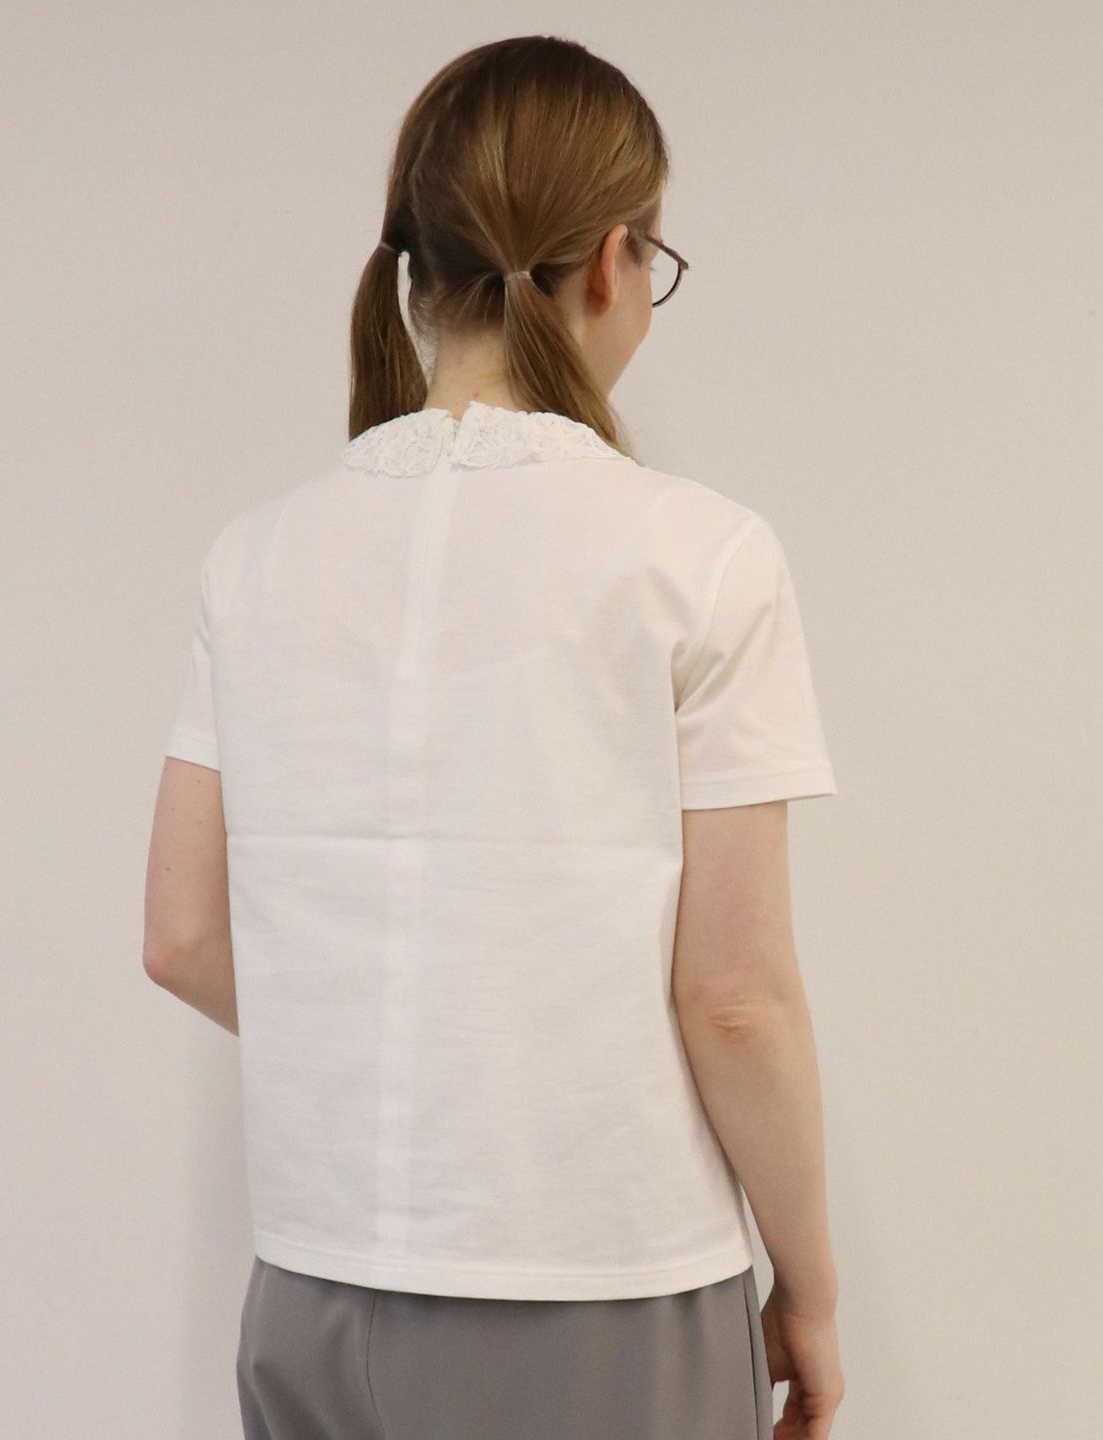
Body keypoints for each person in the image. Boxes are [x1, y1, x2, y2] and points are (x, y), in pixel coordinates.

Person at [144, 33, 845, 1440]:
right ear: (613, 260)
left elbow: (184, 935)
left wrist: (408, 1038)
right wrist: (813, 1291)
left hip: (310, 1284)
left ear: (418, 273)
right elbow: (736, 998)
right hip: (596, 1292)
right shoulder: (699, 556)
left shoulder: (258, 557)